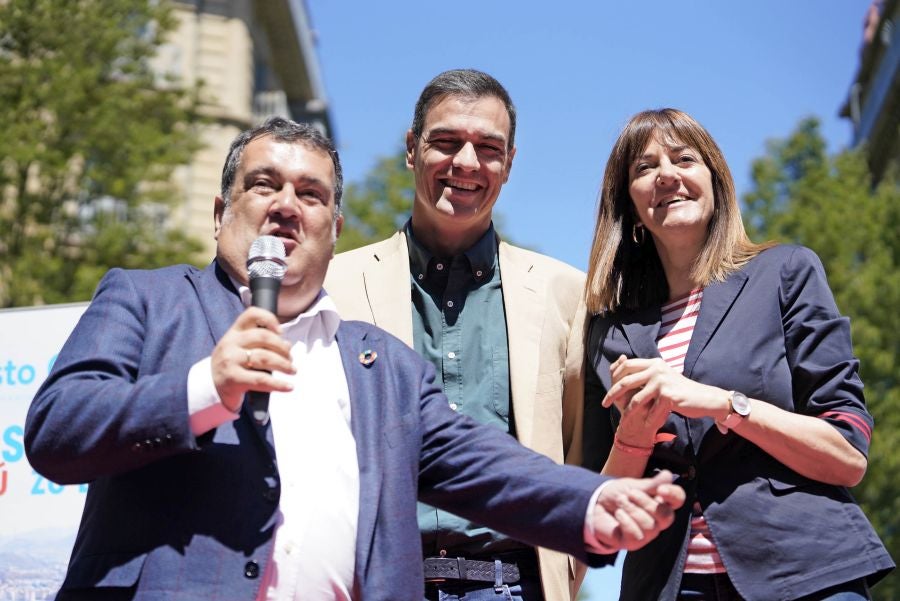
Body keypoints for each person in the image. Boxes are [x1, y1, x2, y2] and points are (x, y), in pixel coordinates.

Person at [25, 117, 685, 601]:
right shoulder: (147, 299)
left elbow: (489, 466)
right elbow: (58, 426)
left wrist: (595, 500)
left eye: (311, 194)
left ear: (335, 227)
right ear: (221, 210)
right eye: (264, 185)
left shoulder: (383, 367)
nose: (287, 205)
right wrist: (205, 386)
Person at [582, 108, 894, 601]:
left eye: (684, 158)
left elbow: (847, 454)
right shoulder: (608, 331)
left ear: (714, 180)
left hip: (805, 573)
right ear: (631, 206)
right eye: (645, 168)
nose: (667, 174)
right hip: (667, 585)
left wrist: (723, 403)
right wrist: (634, 439)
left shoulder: (786, 272)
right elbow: (595, 512)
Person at [324, 69, 587, 601]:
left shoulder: (565, 292)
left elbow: (581, 447)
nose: (466, 162)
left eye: (488, 148)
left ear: (509, 164)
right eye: (446, 142)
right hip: (372, 584)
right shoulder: (333, 284)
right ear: (412, 149)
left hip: (515, 585)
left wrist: (568, 564)